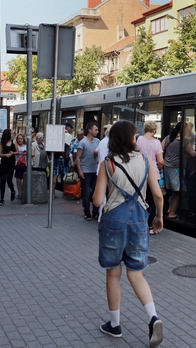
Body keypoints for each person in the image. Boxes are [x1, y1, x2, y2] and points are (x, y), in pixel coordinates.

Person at [92, 120, 164, 347]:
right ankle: (153, 317)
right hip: (139, 222)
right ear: (130, 138)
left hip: (113, 220)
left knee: (113, 274)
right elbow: (158, 195)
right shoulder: (144, 160)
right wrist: (159, 217)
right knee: (137, 273)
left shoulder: (108, 163)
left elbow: (96, 200)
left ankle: (114, 325)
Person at [136, 121, 164, 234]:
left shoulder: (139, 139)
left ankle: (140, 222)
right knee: (152, 201)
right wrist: (161, 167)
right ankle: (150, 226)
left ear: (144, 129)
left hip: (139, 173)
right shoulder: (157, 143)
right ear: (154, 131)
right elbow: (160, 161)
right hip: (153, 174)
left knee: (141, 199)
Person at [77, 122, 100, 220]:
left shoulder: (98, 141)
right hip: (86, 170)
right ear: (90, 130)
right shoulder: (82, 142)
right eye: (96, 130)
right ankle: (87, 212)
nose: (97, 132)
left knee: (96, 192)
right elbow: (78, 157)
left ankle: (95, 211)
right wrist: (80, 171)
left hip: (95, 170)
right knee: (86, 193)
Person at [162, 122, 183, 219]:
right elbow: (192, 153)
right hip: (176, 169)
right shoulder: (182, 141)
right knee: (178, 191)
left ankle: (168, 209)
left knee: (169, 191)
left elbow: (160, 149)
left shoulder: (168, 137)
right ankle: (172, 212)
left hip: (167, 167)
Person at [53, 121, 75, 197]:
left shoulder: (58, 134)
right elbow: (69, 149)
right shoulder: (68, 136)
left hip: (56, 157)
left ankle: (53, 192)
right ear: (67, 128)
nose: (71, 130)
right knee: (65, 175)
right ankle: (65, 192)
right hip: (64, 158)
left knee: (55, 174)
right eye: (71, 128)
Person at [0, 129, 17, 206]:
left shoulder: (13, 143)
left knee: (9, 180)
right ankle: (2, 199)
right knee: (3, 180)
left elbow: (17, 152)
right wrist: (5, 155)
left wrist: (12, 153)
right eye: (11, 133)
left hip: (11, 163)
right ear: (7, 134)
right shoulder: (2, 143)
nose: (12, 135)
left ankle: (12, 190)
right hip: (4, 163)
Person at [13, 133, 28, 200]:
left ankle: (25, 194)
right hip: (18, 165)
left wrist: (27, 153)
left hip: (25, 164)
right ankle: (20, 193)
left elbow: (32, 154)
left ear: (23, 139)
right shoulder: (16, 146)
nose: (20, 140)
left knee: (25, 180)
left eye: (21, 139)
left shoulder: (27, 146)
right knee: (18, 180)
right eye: (18, 139)